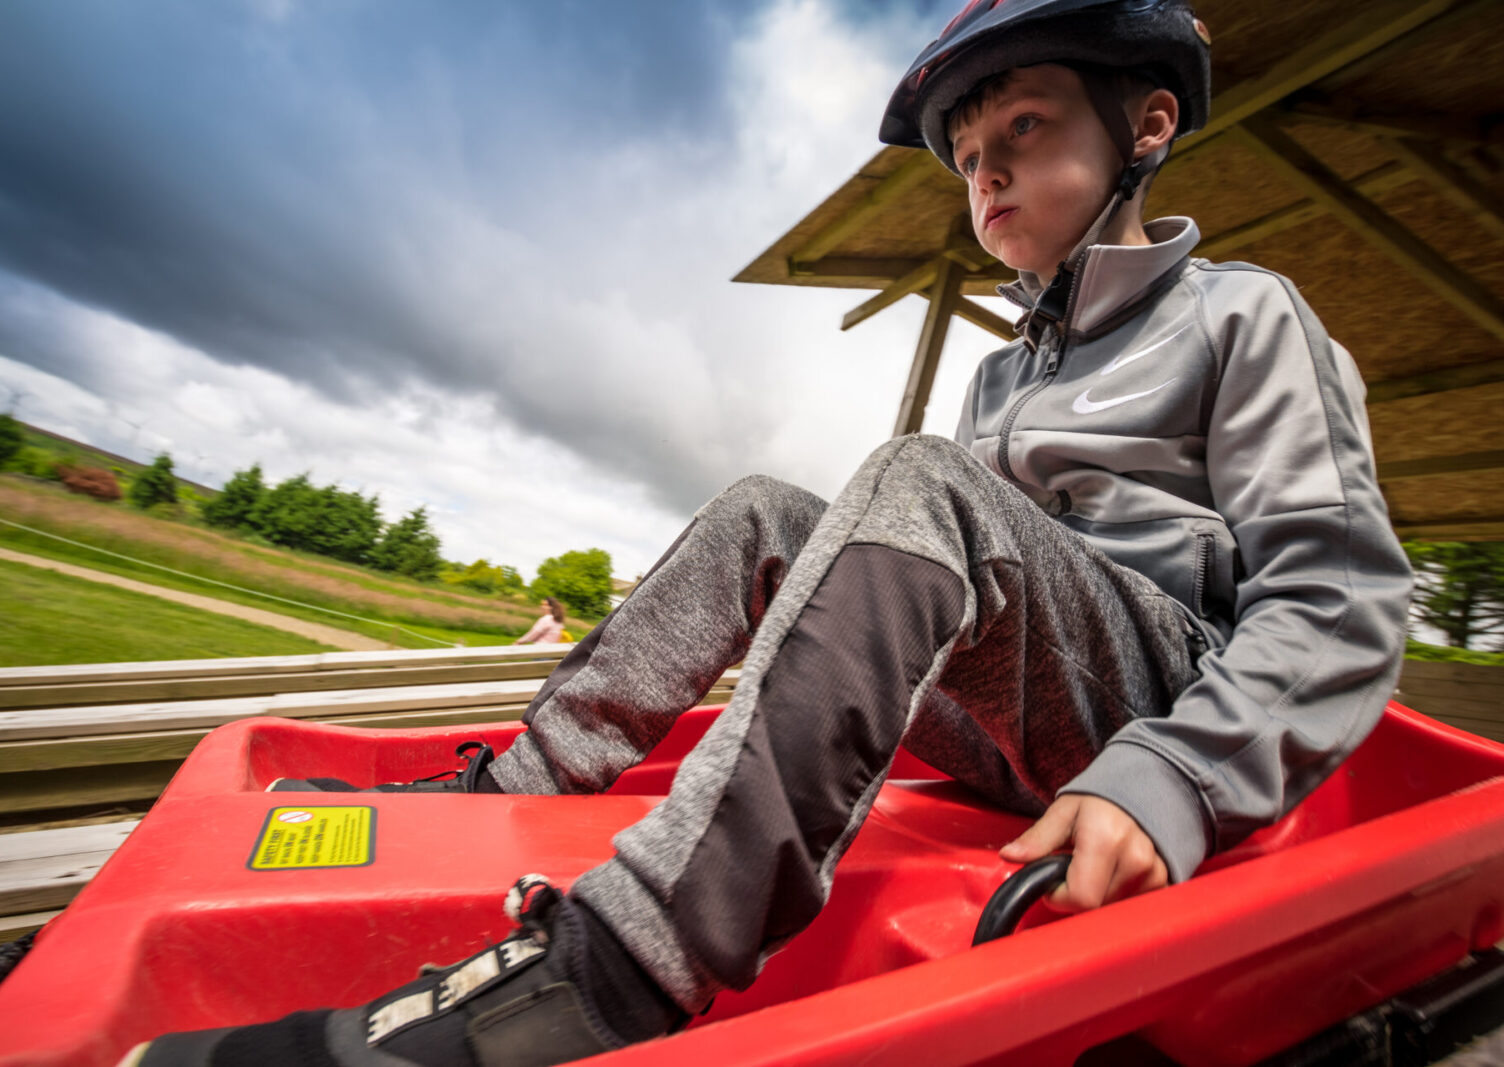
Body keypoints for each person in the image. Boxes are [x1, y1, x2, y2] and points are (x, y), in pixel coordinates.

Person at [123, 2, 1413, 1063]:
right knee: (763, 510)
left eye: (1024, 126)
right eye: (969, 158)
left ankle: (616, 969)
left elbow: (1343, 600)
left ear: (1145, 126)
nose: (990, 174)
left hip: (1162, 703)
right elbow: (955, 577)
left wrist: (1176, 776)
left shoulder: (1246, 318)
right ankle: (524, 780)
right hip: (1018, 721)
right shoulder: (1000, 381)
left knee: (914, 480)